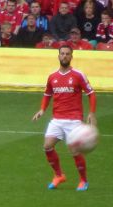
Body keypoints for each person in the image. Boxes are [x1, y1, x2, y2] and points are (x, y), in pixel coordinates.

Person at [32, 45, 96, 191]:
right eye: (62, 54)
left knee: (75, 151)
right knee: (47, 146)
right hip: (57, 119)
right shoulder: (52, 77)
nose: (65, 56)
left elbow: (91, 94)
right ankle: (59, 175)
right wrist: (42, 109)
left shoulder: (78, 75)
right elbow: (47, 94)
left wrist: (91, 113)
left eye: (67, 54)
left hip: (74, 120)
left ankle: (83, 181)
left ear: (71, 56)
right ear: (58, 56)